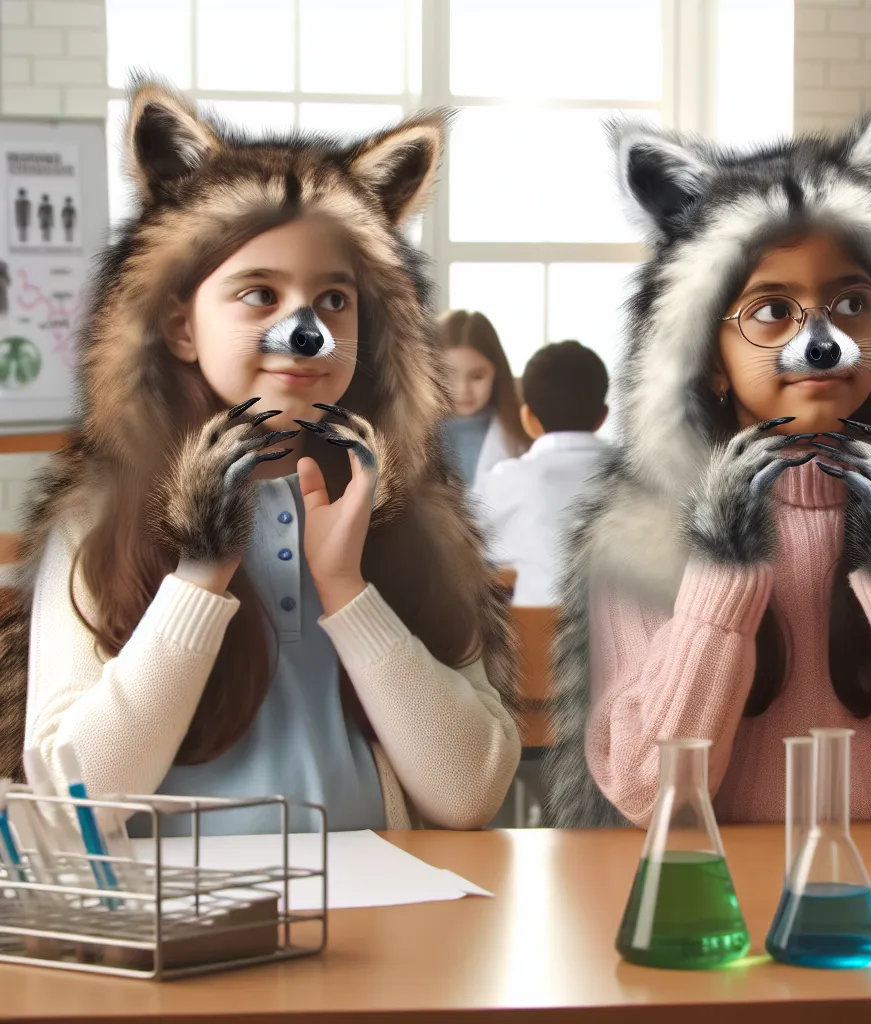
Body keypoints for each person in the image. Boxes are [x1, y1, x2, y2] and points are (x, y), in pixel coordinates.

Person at [0, 79, 521, 835]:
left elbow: (469, 792)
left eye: (335, 300)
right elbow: (72, 805)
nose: (305, 329)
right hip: (179, 924)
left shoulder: (413, 518)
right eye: (258, 294)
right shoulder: (98, 517)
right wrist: (201, 570)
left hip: (389, 913)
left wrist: (346, 586)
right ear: (182, 328)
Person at [542, 86, 871, 829]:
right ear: (707, 355)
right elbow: (645, 788)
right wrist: (723, 572)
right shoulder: (640, 535)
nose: (822, 340)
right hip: (710, 911)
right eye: (771, 312)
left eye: (853, 304)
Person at [475, 340, 609, 606]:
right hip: (630, 642)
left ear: (528, 418)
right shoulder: (639, 476)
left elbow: (470, 544)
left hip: (534, 639)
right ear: (602, 417)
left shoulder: (503, 481)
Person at [438, 309, 529, 486]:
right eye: (447, 375)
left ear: (497, 372)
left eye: (477, 377)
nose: (463, 390)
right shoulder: (405, 436)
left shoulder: (522, 433)